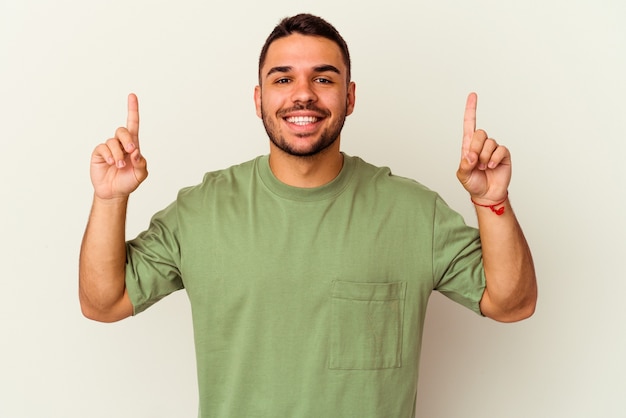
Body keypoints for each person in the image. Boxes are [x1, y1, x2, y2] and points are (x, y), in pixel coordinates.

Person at [79, 13, 537, 418]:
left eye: (323, 78)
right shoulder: (201, 211)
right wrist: (109, 199)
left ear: (349, 96)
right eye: (283, 79)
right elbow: (103, 303)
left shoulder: (414, 212)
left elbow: (513, 304)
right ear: (258, 99)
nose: (303, 95)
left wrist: (491, 202)